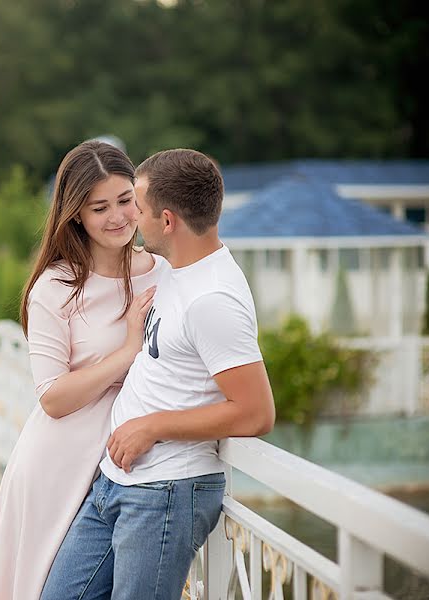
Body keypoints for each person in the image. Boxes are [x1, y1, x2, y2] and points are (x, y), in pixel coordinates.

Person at [40, 149, 275, 600]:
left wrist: (153, 427)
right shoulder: (175, 272)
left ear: (167, 221)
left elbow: (256, 413)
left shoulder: (213, 299)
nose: (130, 218)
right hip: (115, 480)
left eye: (137, 207)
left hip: (164, 492)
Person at [0, 140, 167, 600]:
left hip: (127, 470)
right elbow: (53, 397)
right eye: (98, 207)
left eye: (125, 200)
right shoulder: (56, 287)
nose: (118, 217)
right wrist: (127, 351)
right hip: (57, 468)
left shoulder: (164, 273)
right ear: (76, 216)